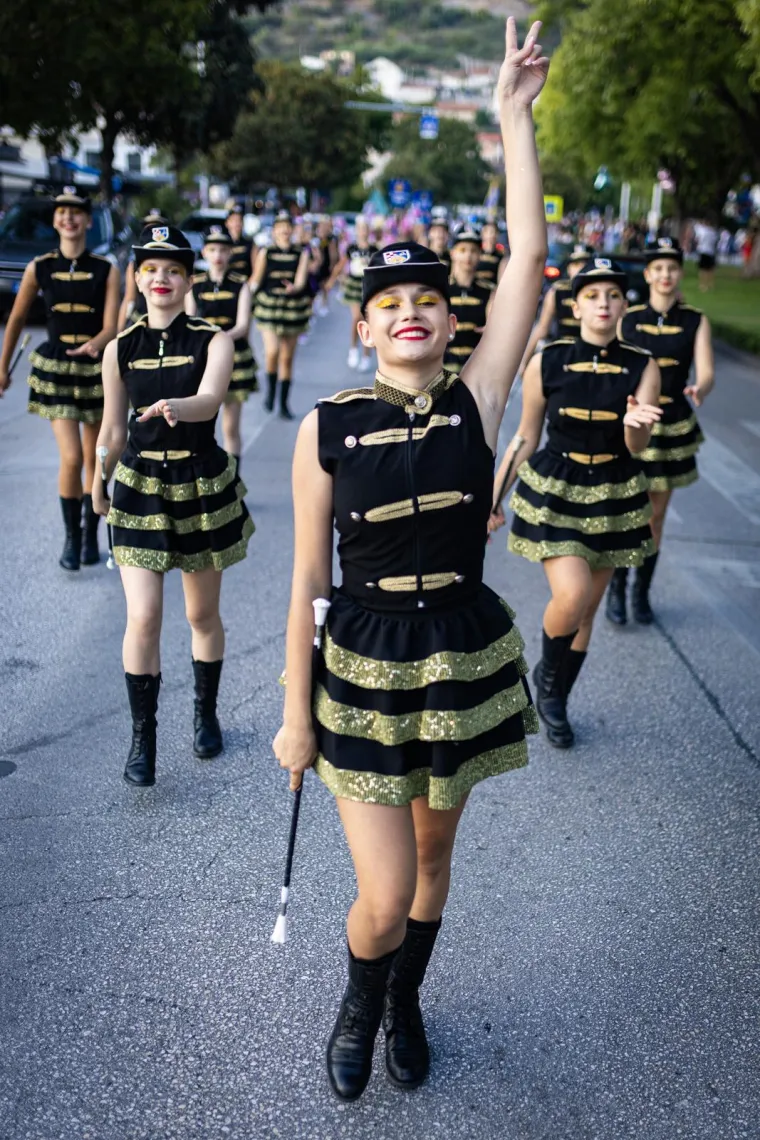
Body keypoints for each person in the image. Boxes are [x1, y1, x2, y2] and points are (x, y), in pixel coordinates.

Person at [273, 18, 549, 1102]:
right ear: (367, 325)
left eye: (426, 301)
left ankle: (406, 1000)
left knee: (435, 863)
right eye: (389, 304)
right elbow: (302, 584)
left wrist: (512, 120)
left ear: (448, 319)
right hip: (364, 660)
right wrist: (296, 712)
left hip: (461, 653)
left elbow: (528, 258)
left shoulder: (478, 399)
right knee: (381, 892)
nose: (411, 314)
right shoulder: (326, 427)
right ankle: (359, 999)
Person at [91, 224, 253, 788]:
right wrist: (98, 472)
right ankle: (144, 739)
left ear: (188, 280)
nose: (161, 278)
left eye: (173, 270)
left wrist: (173, 407)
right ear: (137, 278)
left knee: (200, 615)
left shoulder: (214, 340)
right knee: (143, 615)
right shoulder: (119, 348)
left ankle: (206, 713)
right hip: (139, 489)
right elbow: (112, 424)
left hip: (199, 486)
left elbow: (210, 401)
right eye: (151, 269)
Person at [490, 257, 661, 748]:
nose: (603, 304)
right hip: (558, 487)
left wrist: (635, 427)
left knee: (587, 611)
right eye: (592, 295)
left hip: (615, 488)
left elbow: (638, 447)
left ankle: (558, 697)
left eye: (612, 295)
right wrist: (494, 497)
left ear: (625, 304)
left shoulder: (641, 365)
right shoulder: (548, 359)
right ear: (576, 304)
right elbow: (523, 436)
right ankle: (546, 683)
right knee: (572, 596)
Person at [0, 186, 120, 570]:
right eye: (62, 212)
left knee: (94, 458)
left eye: (76, 212)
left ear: (86, 220)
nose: (68, 218)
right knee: (71, 457)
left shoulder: (107, 268)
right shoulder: (40, 266)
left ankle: (90, 537)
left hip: (95, 368)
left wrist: (96, 344)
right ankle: (70, 540)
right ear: (55, 221)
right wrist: (2, 367)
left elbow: (112, 326)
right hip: (56, 369)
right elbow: (16, 319)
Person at [605, 237, 714, 625]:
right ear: (649, 273)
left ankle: (641, 592)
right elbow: (616, 369)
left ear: (678, 273)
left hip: (672, 427)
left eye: (672, 267)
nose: (665, 274)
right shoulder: (629, 318)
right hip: (634, 423)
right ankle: (616, 586)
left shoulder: (695, 319)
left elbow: (707, 371)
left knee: (655, 516)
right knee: (626, 510)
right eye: (659, 268)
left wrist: (700, 387)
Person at [185, 225, 257, 474]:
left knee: (230, 427)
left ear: (231, 253)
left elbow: (243, 325)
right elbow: (188, 320)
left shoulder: (241, 285)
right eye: (213, 249)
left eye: (223, 250)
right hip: (202, 358)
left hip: (234, 358)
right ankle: (205, 476)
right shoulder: (195, 284)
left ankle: (233, 479)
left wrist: (219, 338)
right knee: (201, 424)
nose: (218, 255)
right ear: (204, 252)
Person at [251, 211, 315, 420]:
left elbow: (301, 280)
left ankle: (283, 403)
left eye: (288, 226)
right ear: (275, 230)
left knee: (287, 358)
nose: (284, 230)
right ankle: (270, 393)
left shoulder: (301, 253)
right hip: (270, 307)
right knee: (272, 352)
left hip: (292, 309)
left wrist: (294, 288)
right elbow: (256, 280)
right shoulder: (266, 252)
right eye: (280, 226)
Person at [517, 243, 592, 375]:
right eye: (576, 264)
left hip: (589, 356)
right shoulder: (557, 291)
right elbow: (542, 328)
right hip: (560, 353)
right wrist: (524, 362)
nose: (580, 269)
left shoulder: (598, 293)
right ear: (569, 269)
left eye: (585, 264)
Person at [327, 216, 377, 371]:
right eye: (360, 229)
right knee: (357, 317)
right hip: (354, 284)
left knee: (368, 321)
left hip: (368, 284)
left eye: (365, 229)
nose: (362, 232)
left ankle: (367, 355)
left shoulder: (374, 250)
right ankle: (354, 348)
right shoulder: (352, 248)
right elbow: (341, 265)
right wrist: (331, 280)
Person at [444, 230, 495, 375]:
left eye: (473, 251)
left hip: (476, 367)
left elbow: (491, 328)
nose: (468, 256)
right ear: (453, 253)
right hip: (441, 367)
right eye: (462, 250)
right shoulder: (441, 288)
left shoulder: (489, 291)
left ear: (480, 255)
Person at [118, 209, 169, 332]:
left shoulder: (176, 264)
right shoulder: (135, 264)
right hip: (141, 322)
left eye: (158, 228)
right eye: (148, 228)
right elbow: (129, 298)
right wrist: (119, 332)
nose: (154, 233)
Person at [312, 214, 339, 317]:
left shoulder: (331, 238)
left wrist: (332, 264)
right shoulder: (315, 238)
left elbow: (333, 253)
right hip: (318, 263)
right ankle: (315, 304)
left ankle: (324, 303)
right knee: (316, 284)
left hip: (326, 263)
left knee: (324, 285)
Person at [225, 205, 255, 281]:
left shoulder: (250, 244)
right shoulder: (223, 243)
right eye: (233, 220)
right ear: (227, 223)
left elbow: (255, 268)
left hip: (244, 282)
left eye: (239, 220)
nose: (236, 224)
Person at [476, 220, 507, 286]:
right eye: (487, 232)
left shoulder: (502, 255)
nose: (491, 235)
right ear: (482, 234)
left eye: (494, 232)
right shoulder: (476, 252)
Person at [693, 217, 718, 292]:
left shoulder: (702, 231)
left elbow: (697, 239)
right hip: (711, 251)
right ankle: (710, 284)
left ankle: (702, 284)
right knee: (710, 269)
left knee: (702, 269)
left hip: (703, 250)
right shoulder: (713, 232)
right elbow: (715, 242)